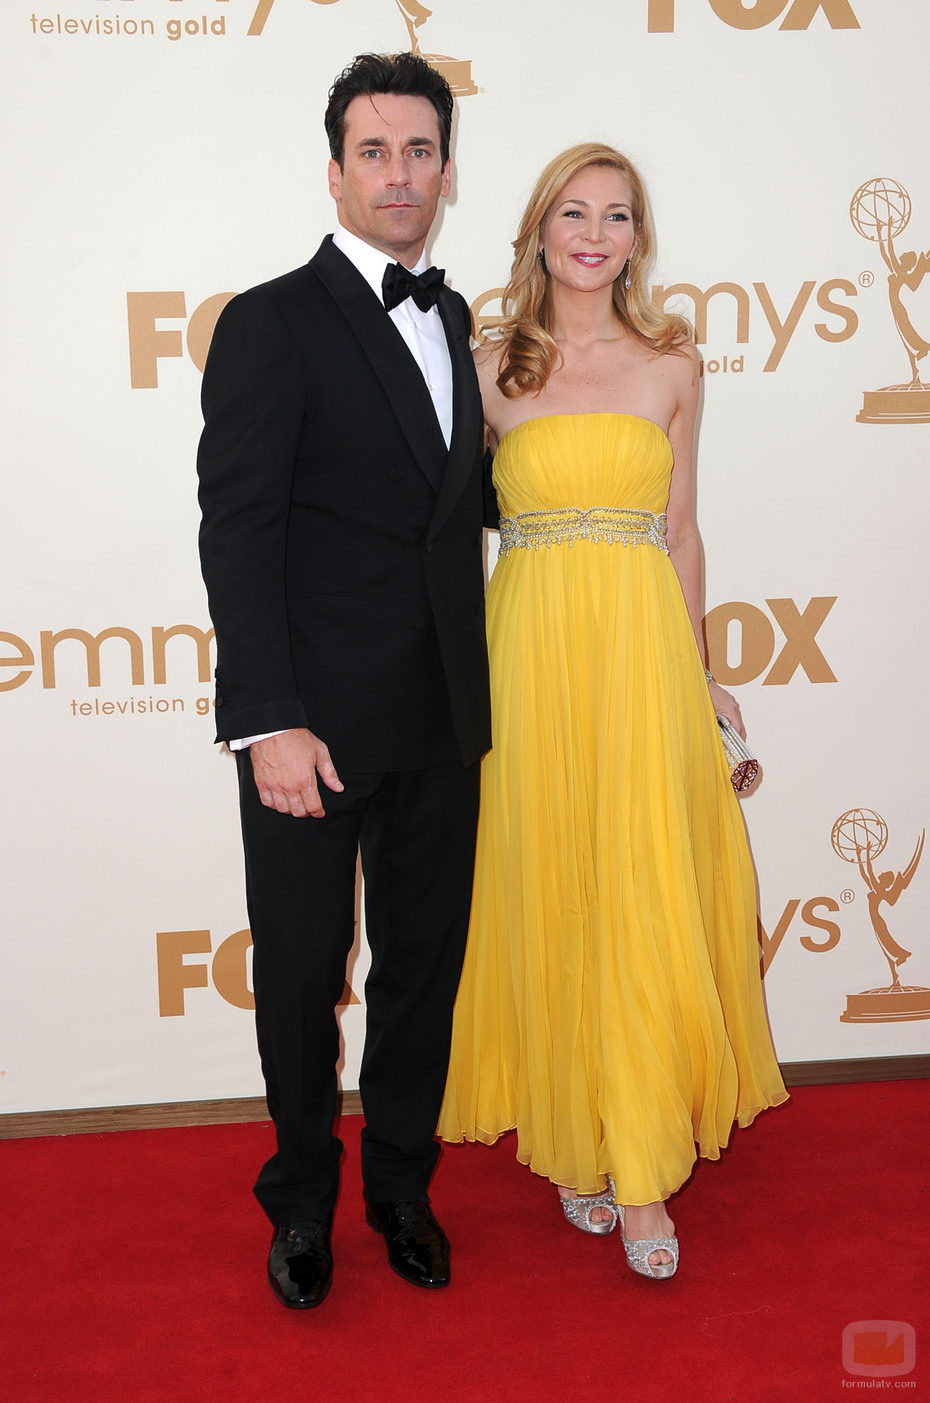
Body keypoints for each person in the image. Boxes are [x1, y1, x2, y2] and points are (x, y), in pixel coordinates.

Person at [437, 143, 787, 1279]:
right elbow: (440, 530)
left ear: (639, 237)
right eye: (573, 213)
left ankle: (641, 1170)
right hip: (531, 648)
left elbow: (682, 531)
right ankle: (578, 1130)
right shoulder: (488, 364)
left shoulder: (675, 364)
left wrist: (698, 667)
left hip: (639, 651)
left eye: (618, 216)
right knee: (557, 880)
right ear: (538, 229)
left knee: (639, 883)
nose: (594, 234)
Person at [197, 52, 495, 1309]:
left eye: (419, 150)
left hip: (442, 714)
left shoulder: (464, 318)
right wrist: (266, 716)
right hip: (310, 729)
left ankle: (402, 1190)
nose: (399, 172)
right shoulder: (270, 319)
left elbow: (462, 512)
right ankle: (305, 1207)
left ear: (444, 170)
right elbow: (237, 526)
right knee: (304, 977)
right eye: (374, 151)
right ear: (335, 170)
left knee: (422, 970)